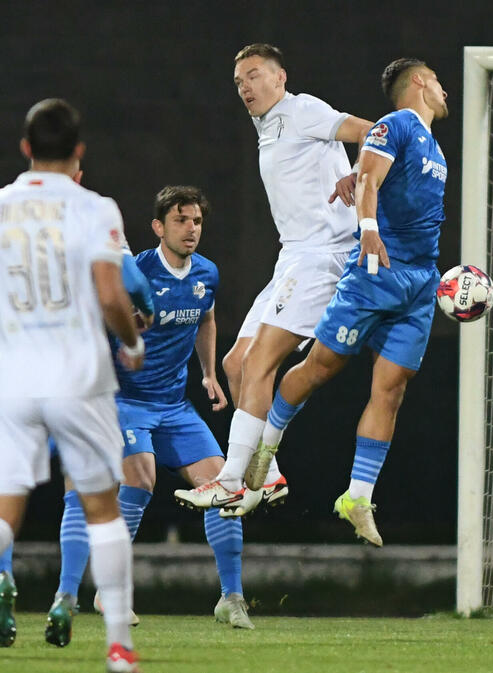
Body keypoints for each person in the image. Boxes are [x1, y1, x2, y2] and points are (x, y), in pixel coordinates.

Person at [230, 57, 449, 545]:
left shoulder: (434, 148)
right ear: (419, 81)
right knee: (320, 367)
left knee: (391, 388)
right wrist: (368, 228)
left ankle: (358, 496)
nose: (444, 90)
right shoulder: (397, 124)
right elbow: (368, 180)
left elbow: (380, 181)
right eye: (437, 81)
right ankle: (266, 448)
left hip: (419, 282)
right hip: (375, 269)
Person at [44, 186, 255, 649]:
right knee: (141, 477)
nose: (191, 229)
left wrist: (208, 373)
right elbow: (100, 318)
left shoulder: (207, 273)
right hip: (126, 401)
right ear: (159, 227)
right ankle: (107, 589)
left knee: (223, 483)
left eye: (196, 221)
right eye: (181, 220)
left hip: (174, 405)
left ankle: (231, 597)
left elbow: (206, 320)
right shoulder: (136, 271)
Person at [175, 43, 373, 515]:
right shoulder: (266, 124)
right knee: (236, 364)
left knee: (259, 361)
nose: (245, 87)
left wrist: (357, 172)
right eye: (238, 81)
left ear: (281, 77)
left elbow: (374, 131)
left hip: (322, 258)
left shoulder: (302, 110)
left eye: (254, 75)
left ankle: (230, 481)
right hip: (293, 258)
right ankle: (269, 476)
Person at [0, 98, 143, 672]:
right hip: (78, 375)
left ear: (25, 148)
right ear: (79, 151)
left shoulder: (2, 205)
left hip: (15, 376)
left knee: (6, 509)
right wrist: (132, 343)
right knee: (102, 509)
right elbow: (110, 293)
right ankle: (119, 645)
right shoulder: (95, 207)